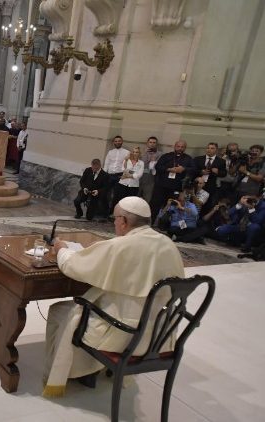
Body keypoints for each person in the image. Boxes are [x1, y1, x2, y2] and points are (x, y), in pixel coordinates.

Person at [44, 196, 184, 397]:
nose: (114, 222)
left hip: (121, 335)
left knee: (61, 311)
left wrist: (61, 249)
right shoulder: (168, 245)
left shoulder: (120, 246)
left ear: (124, 221)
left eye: (115, 218)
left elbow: (72, 266)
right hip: (158, 334)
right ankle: (93, 370)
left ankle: (75, 372)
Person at [150, 140, 194, 222]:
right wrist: (169, 169)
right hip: (161, 185)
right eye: (178, 146)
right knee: (155, 204)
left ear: (185, 148)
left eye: (182, 147)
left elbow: (193, 169)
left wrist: (183, 169)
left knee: (171, 207)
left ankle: (163, 225)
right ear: (175, 146)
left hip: (175, 187)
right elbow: (158, 167)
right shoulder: (166, 156)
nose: (180, 148)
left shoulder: (188, 158)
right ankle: (150, 222)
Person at [192, 142, 226, 214]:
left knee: (208, 205)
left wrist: (218, 172)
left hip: (211, 186)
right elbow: (192, 170)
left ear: (216, 150)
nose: (209, 150)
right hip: (198, 185)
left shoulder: (221, 161)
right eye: (208, 148)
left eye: (212, 148)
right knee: (194, 203)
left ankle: (203, 221)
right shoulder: (198, 159)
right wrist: (201, 172)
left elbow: (224, 173)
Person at [103, 135, 130, 217]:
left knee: (117, 196)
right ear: (113, 142)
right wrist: (104, 175)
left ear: (122, 142)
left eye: (119, 141)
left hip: (119, 176)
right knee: (104, 193)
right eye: (116, 141)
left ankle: (112, 213)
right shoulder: (110, 152)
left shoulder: (127, 152)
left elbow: (129, 166)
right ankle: (105, 211)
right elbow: (106, 164)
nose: (117, 142)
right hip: (109, 176)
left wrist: (124, 175)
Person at [138, 136, 161, 203]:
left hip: (150, 178)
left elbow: (158, 167)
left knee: (147, 197)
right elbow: (139, 164)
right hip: (139, 177)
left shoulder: (160, 154)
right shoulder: (141, 152)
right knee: (135, 196)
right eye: (150, 142)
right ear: (147, 143)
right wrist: (144, 154)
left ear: (156, 144)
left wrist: (154, 161)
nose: (152, 144)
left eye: (154, 142)